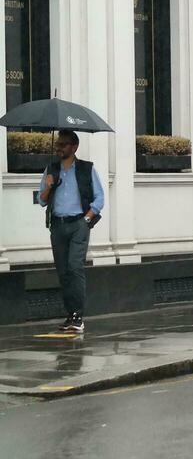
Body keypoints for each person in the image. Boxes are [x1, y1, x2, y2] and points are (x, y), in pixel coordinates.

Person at [36, 129, 105, 335]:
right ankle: (71, 314)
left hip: (78, 224)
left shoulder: (86, 169)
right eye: (58, 144)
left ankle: (78, 316)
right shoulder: (51, 169)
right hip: (57, 225)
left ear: (74, 147)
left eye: (63, 144)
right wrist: (48, 186)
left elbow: (99, 199)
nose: (58, 148)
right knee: (63, 271)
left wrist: (86, 219)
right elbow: (41, 200)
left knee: (75, 267)